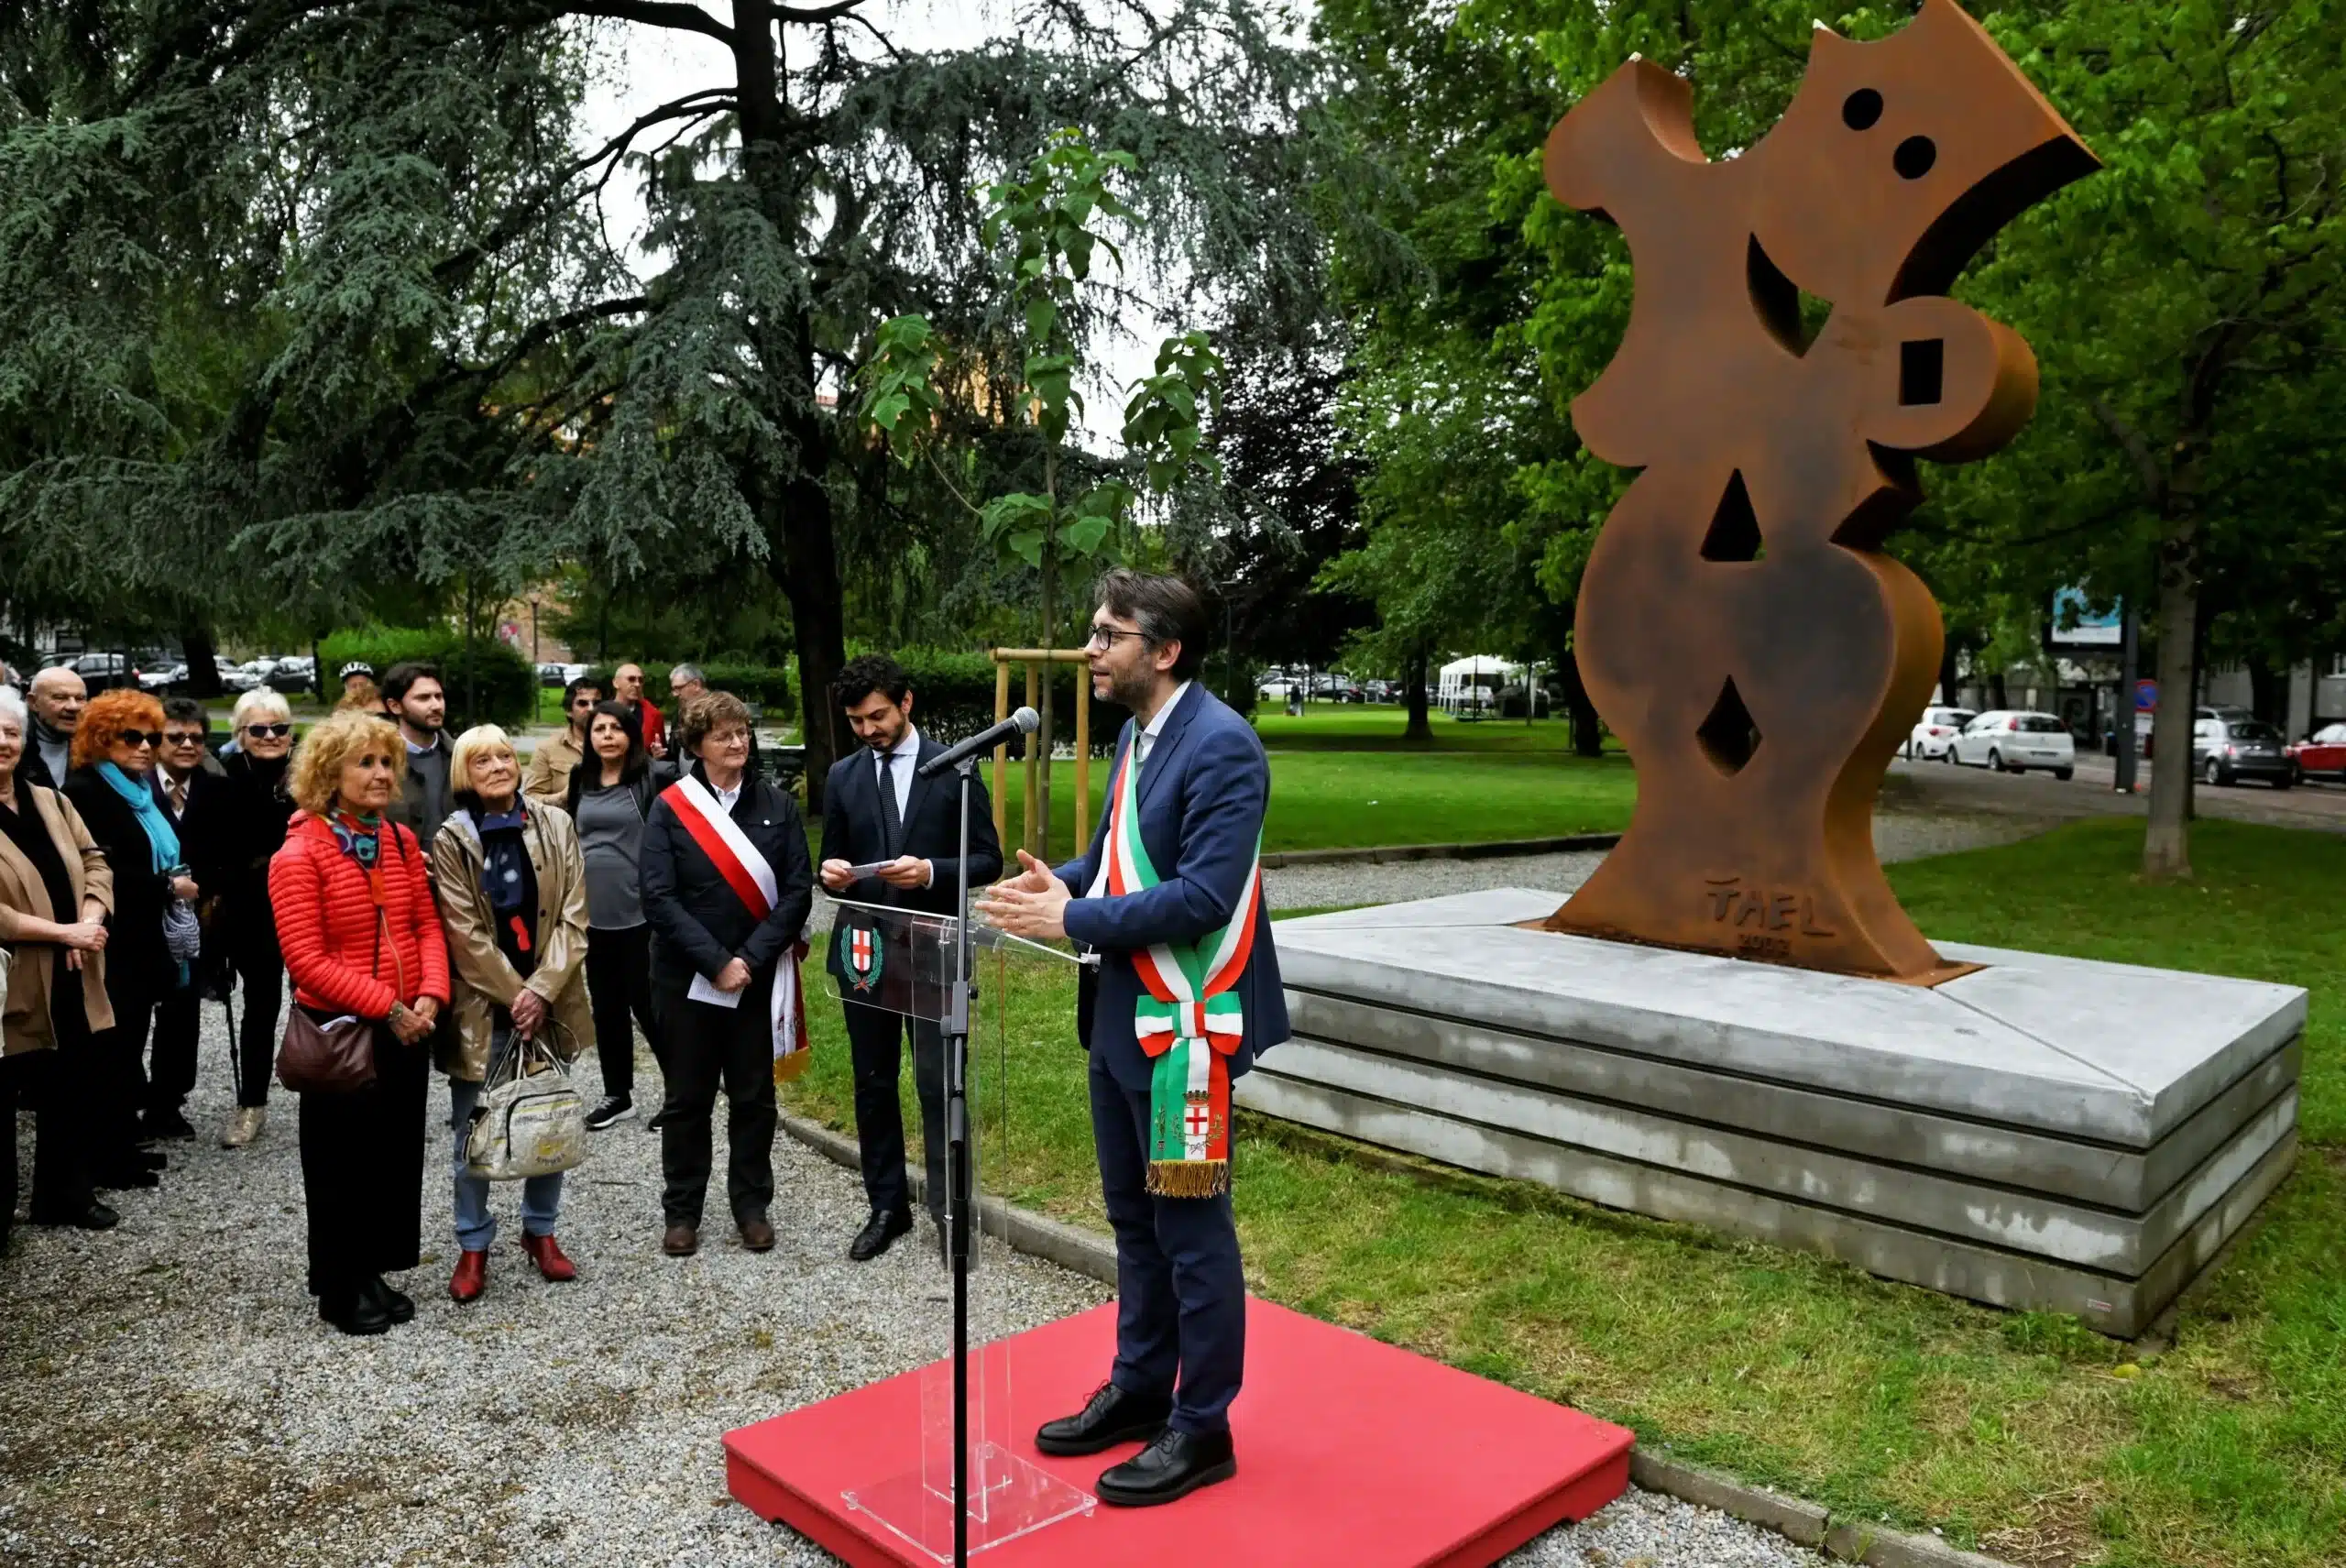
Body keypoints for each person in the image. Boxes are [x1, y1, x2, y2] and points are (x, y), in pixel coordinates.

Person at [979, 570, 1286, 1508]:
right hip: (1122, 1015)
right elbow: (1114, 856)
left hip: (1185, 1026)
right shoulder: (1133, 735)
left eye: (1108, 634)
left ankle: (1203, 1427)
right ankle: (1142, 1385)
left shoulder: (1224, 747)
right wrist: (1053, 886)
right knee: (1132, 1219)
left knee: (1191, 1231)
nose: (1090, 649)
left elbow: (1200, 896)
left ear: (1165, 650)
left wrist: (1073, 918)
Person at [270, 711, 448, 1336]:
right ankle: (340, 1286)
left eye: (385, 762)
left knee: (391, 1159)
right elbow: (307, 961)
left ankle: (371, 1269)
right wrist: (390, 1007)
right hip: (342, 1030)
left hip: (405, 1027)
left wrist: (430, 992)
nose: (379, 774)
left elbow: (426, 923)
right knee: (340, 1164)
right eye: (364, 763)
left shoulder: (398, 840)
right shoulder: (299, 852)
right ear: (329, 772)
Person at [818, 653, 1002, 1261]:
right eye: (857, 721)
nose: (869, 730)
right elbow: (832, 862)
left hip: (934, 947)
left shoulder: (954, 768)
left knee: (937, 1082)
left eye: (877, 716)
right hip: (866, 948)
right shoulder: (844, 776)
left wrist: (929, 871)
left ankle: (951, 1212)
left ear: (906, 702)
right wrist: (832, 875)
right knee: (873, 1081)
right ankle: (887, 1206)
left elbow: (987, 860)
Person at [640, 691, 812, 1257]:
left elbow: (795, 892)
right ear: (696, 745)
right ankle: (682, 1210)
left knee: (753, 1096)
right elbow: (659, 897)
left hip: (754, 976)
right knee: (687, 1098)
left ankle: (751, 1206)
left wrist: (749, 960)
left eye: (743, 732)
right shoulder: (670, 807)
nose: (738, 743)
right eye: (723, 735)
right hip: (688, 979)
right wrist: (715, 961)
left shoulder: (778, 806)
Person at [429, 725, 592, 1302]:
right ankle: (473, 1244)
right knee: (471, 1133)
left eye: (504, 754)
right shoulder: (452, 839)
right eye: (482, 760)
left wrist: (542, 991)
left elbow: (575, 918)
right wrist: (516, 994)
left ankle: (540, 1233)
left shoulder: (555, 823)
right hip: (484, 1009)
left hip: (548, 1003)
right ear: (463, 774)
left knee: (548, 1122)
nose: (498, 766)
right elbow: (463, 933)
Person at [62, 689, 196, 1194]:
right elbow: (100, 869)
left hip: (145, 940)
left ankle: (122, 1144)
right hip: (112, 942)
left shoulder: (138, 790)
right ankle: (107, 1157)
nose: (145, 747)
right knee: (111, 1051)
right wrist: (167, 885)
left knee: (127, 1045)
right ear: (101, 739)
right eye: (131, 736)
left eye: (152, 737)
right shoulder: (87, 790)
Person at [0, 686, 118, 1239]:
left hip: (73, 966)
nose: (2, 742)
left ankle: (65, 1195)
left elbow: (96, 860)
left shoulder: (49, 800)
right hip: (12, 977)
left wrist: (90, 920)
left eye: (10, 732)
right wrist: (62, 931)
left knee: (73, 1081)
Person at [184, 688, 297, 1148]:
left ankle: (334, 1081)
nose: (270, 736)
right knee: (262, 1003)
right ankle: (252, 1101)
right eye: (259, 729)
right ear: (240, 735)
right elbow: (206, 848)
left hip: (309, 900)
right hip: (252, 907)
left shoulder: (311, 775)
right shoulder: (222, 779)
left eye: (280, 728)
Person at [565, 700, 668, 1132]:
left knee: (649, 1006)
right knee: (606, 1008)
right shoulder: (580, 778)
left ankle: (680, 1090)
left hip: (640, 914)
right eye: (598, 729)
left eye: (616, 728)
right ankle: (617, 1094)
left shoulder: (653, 778)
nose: (607, 735)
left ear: (631, 734)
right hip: (593, 915)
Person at [139, 696, 225, 1141]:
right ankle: (127, 1096)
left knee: (183, 1012)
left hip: (193, 923)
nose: (188, 744)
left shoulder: (214, 789)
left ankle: (168, 1101)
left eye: (196, 737)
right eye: (176, 737)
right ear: (156, 742)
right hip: (140, 916)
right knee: (132, 1012)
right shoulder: (137, 788)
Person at [379, 662, 453, 850]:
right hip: (400, 873)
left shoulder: (462, 756)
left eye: (439, 696)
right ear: (395, 706)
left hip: (460, 874)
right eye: (423, 698)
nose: (436, 705)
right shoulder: (379, 763)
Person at [524, 675, 601, 809]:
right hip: (566, 825)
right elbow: (529, 798)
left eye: (597, 703)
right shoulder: (547, 749)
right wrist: (561, 797)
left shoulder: (615, 745)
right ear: (568, 711)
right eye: (583, 703)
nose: (591, 709)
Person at [23, 666, 86, 791]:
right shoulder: (13, 748)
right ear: (33, 702)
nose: (73, 707)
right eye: (60, 697)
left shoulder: (94, 750)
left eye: (80, 698)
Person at [612, 663, 665, 759]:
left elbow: (664, 753)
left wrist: (657, 756)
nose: (637, 684)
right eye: (631, 679)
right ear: (616, 683)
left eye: (640, 680)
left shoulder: (654, 716)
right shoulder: (602, 714)